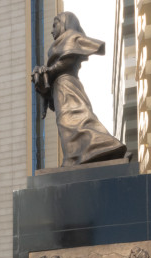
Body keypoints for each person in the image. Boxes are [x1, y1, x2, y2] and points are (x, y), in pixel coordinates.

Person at [31, 11, 126, 167]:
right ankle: (74, 156)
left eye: (54, 25)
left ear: (63, 23)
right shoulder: (58, 43)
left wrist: (49, 71)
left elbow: (68, 59)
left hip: (68, 85)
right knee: (66, 122)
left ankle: (100, 147)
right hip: (59, 89)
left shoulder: (70, 37)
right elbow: (50, 90)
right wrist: (42, 81)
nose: (51, 30)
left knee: (73, 118)